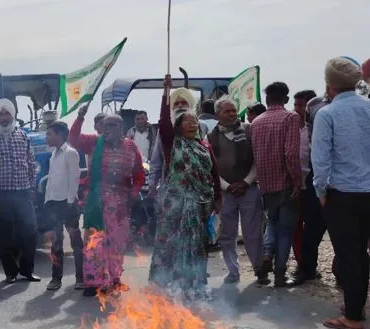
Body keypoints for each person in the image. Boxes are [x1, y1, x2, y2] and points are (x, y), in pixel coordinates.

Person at [149, 75, 221, 300]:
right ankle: (167, 288)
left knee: (196, 246)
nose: (191, 124)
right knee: (170, 246)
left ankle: (194, 285)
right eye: (185, 122)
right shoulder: (172, 144)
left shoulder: (203, 146)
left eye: (193, 121)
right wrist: (165, 93)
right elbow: (163, 123)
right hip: (174, 206)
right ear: (177, 129)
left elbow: (214, 173)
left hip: (200, 206)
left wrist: (218, 198)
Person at [312, 57, 370, 329]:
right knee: (361, 252)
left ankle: (354, 317)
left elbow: (320, 161)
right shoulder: (368, 108)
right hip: (368, 193)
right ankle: (354, 307)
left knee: (348, 255)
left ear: (329, 84)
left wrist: (321, 192)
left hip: (342, 195)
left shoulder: (327, 114)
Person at [0, 98, 40, 284]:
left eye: (7, 114)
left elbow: (31, 163)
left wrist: (32, 187)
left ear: (13, 116)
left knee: (30, 231)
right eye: (0, 115)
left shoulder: (23, 136)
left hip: (23, 193)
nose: (4, 118)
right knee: (5, 236)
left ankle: (26, 271)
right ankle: (10, 273)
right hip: (0, 195)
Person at [82, 115, 145, 296]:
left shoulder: (131, 147)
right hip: (97, 203)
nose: (107, 128)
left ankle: (114, 279)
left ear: (121, 128)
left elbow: (139, 173)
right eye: (105, 125)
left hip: (121, 204)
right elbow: (73, 138)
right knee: (96, 243)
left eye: (112, 125)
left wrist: (133, 193)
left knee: (117, 243)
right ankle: (93, 282)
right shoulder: (96, 144)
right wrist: (80, 116)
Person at [250, 81, 302, 287]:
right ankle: (280, 273)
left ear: (267, 99)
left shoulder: (256, 122)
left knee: (272, 222)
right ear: (286, 99)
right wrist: (297, 182)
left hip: (266, 185)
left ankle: (266, 255)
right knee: (285, 230)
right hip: (287, 184)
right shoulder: (291, 118)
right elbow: (291, 154)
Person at [208, 97, 262, 285]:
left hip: (249, 189)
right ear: (217, 115)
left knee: (252, 232)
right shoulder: (211, 137)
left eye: (233, 111)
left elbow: (257, 160)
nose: (232, 114)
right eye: (227, 111)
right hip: (226, 192)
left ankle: (259, 269)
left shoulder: (249, 130)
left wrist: (246, 182)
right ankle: (233, 271)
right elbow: (211, 167)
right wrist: (227, 186)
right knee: (227, 234)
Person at [43, 122, 83, 291]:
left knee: (76, 243)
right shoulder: (53, 155)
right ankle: (56, 279)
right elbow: (51, 180)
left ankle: (81, 278)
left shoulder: (70, 153)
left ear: (60, 135)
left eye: (49, 134)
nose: (47, 137)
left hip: (68, 204)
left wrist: (69, 203)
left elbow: (74, 179)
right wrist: (47, 200)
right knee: (56, 243)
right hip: (54, 204)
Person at [290, 90, 318, 276]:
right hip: (294, 184)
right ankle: (302, 263)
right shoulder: (289, 128)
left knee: (314, 227)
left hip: (315, 185)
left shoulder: (315, 128)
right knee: (296, 227)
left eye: (301, 106)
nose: (298, 109)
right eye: (296, 105)